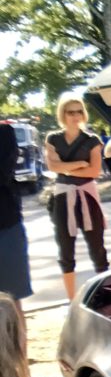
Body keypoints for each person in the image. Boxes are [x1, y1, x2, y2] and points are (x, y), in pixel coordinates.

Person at [44, 93, 108, 299]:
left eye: (79, 111)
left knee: (97, 247)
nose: (75, 116)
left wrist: (66, 169)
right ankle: (71, 300)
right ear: (63, 114)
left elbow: (94, 171)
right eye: (70, 112)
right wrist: (79, 165)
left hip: (87, 197)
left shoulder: (92, 140)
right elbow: (52, 165)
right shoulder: (53, 138)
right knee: (65, 249)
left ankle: (105, 294)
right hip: (63, 198)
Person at [0, 124, 32, 355]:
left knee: (11, 301)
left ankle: (21, 373)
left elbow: (2, 172)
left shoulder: (4, 133)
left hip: (5, 227)